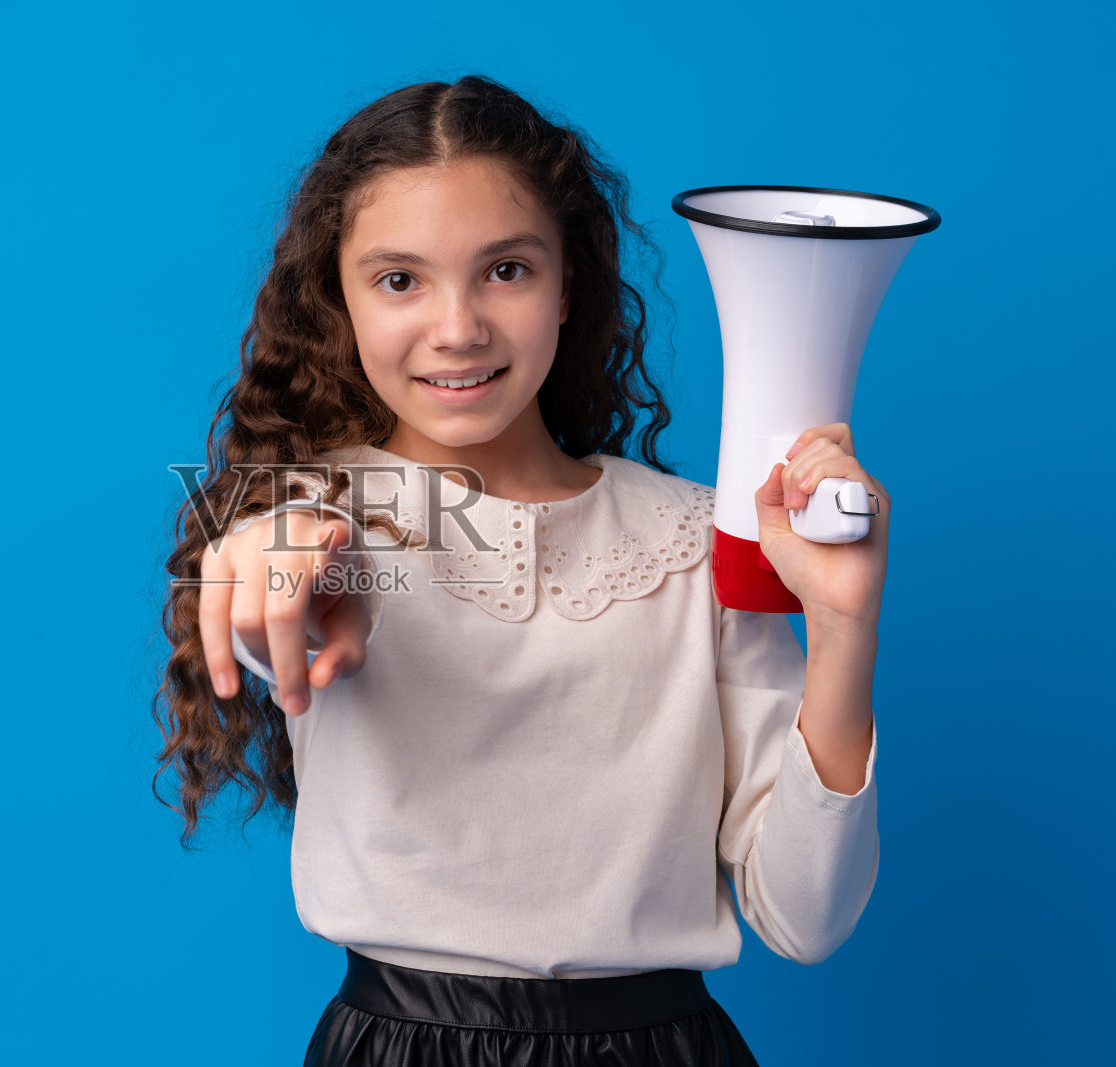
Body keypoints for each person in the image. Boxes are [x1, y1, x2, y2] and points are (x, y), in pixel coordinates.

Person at [152, 74, 885, 1066]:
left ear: (567, 281)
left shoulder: (694, 540)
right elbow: (291, 571)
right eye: (399, 279)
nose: (458, 327)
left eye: (505, 269)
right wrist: (273, 566)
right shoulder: (313, 511)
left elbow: (807, 917)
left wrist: (841, 626)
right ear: (342, 299)